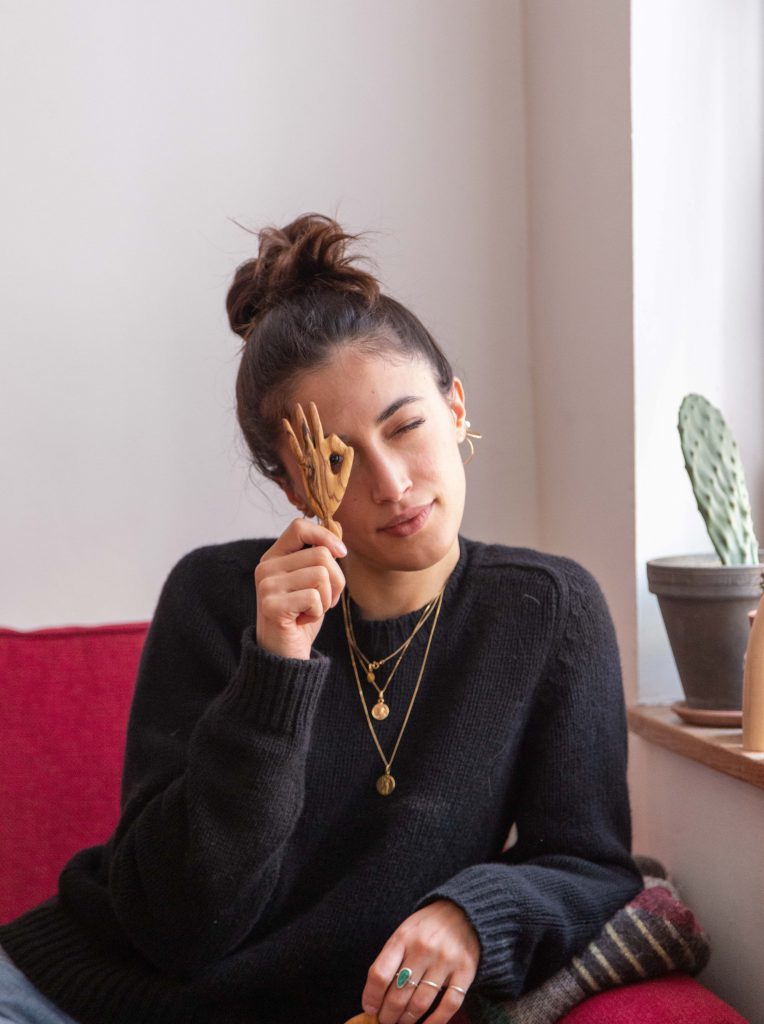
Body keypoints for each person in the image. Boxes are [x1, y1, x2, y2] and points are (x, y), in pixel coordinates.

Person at [0, 214, 642, 1024]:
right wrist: (276, 667)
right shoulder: (214, 597)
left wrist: (475, 912)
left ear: (455, 408)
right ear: (294, 488)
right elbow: (177, 927)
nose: (392, 482)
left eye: (406, 427)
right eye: (335, 459)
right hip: (85, 994)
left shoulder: (548, 610)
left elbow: (589, 861)